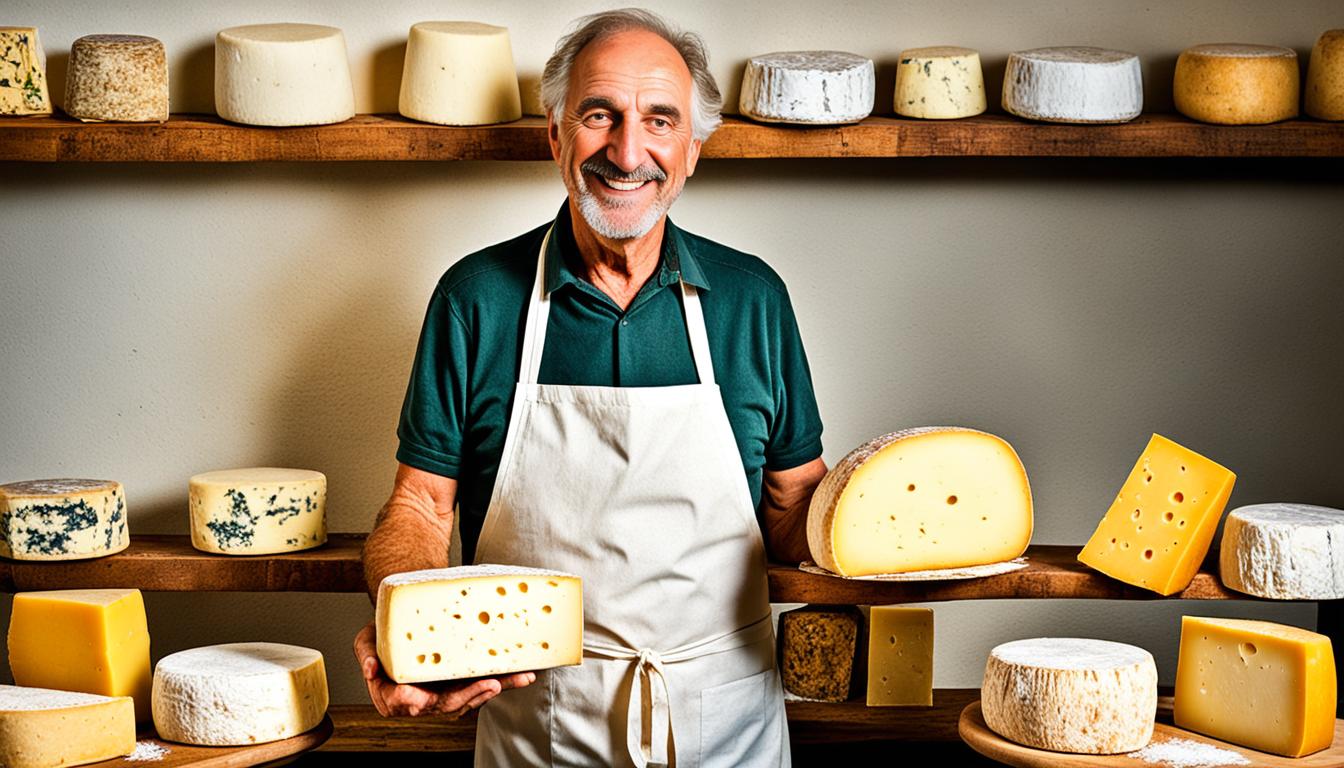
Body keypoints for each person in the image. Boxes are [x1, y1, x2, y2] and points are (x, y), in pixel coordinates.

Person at [353, 8, 826, 766]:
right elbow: (418, 506)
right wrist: (406, 629)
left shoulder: (752, 300)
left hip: (724, 723)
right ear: (555, 135)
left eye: (660, 121)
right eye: (600, 115)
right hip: (537, 720)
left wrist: (884, 531)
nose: (628, 150)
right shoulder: (476, 299)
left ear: (693, 150)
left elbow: (797, 505)